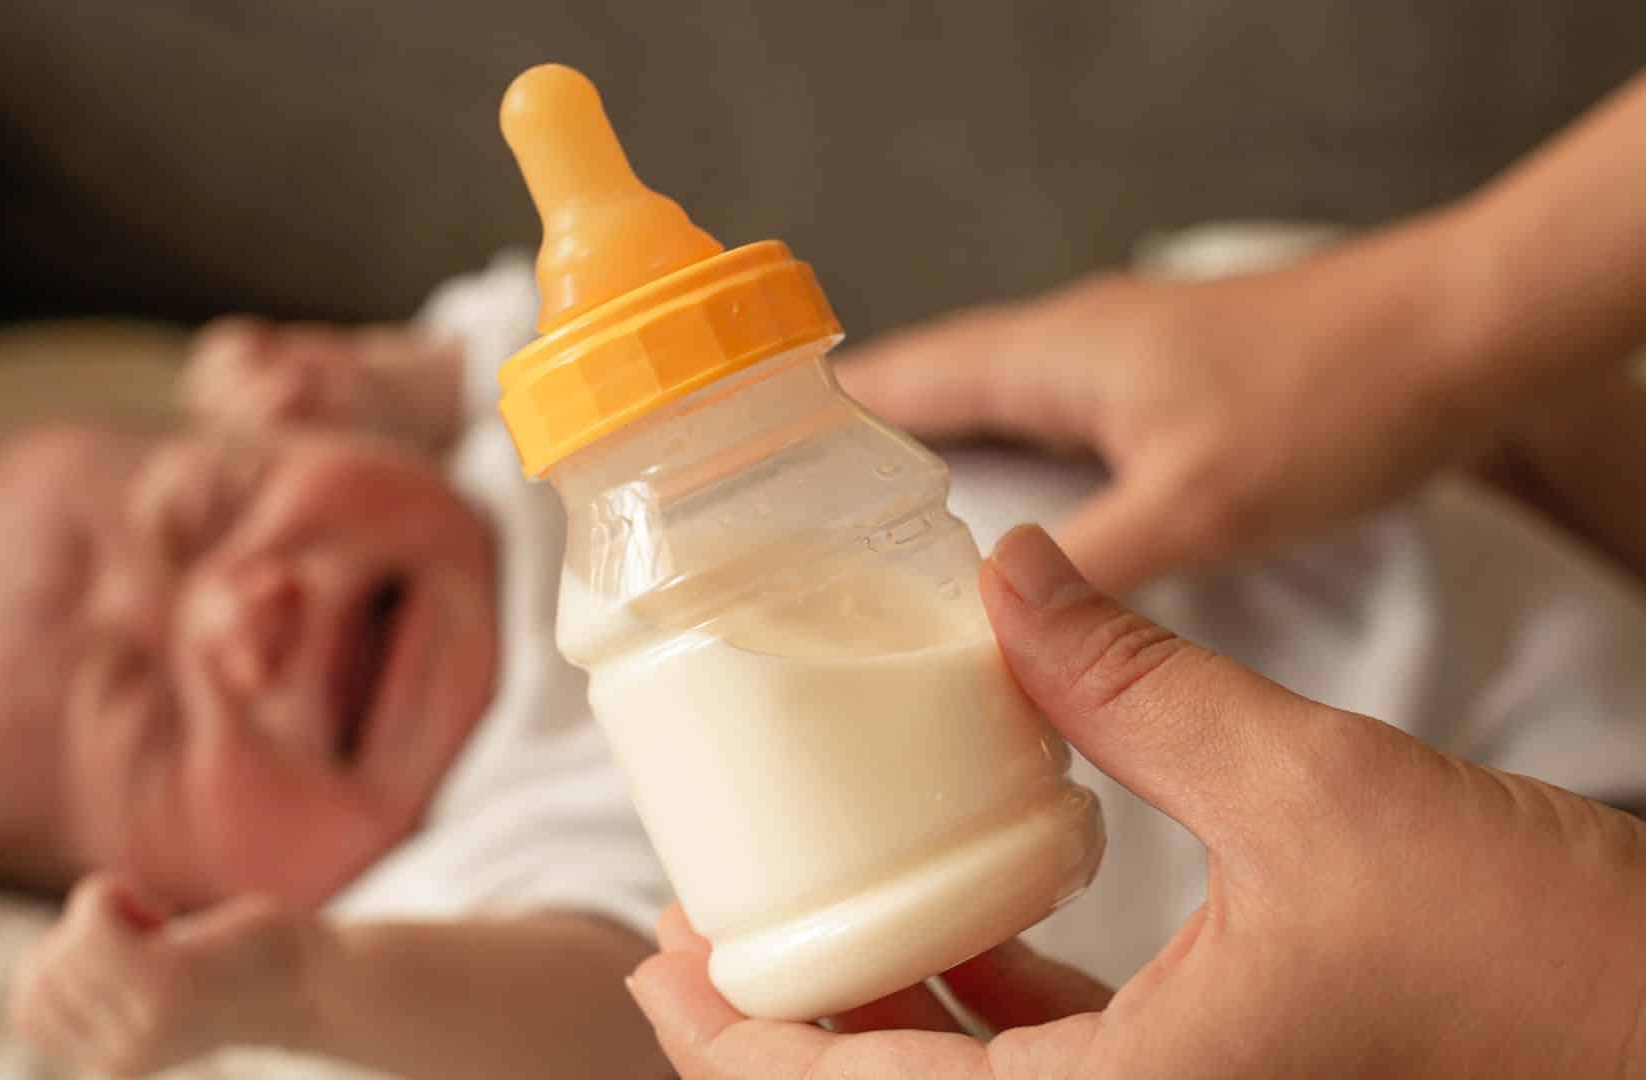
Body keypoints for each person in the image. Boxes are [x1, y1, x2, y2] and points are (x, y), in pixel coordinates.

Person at [624, 70, 1646, 1079]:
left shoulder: (480, 376)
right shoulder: (548, 771)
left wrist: (1598, 1001)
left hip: (1373, 440)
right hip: (1502, 750)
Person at [0, 255, 674, 1079]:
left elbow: (622, 286)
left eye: (210, 512)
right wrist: (293, 992)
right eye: (157, 719)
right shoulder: (422, 922)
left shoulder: (494, 432)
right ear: (168, 902)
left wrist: (402, 383)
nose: (243, 617)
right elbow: (625, 1023)